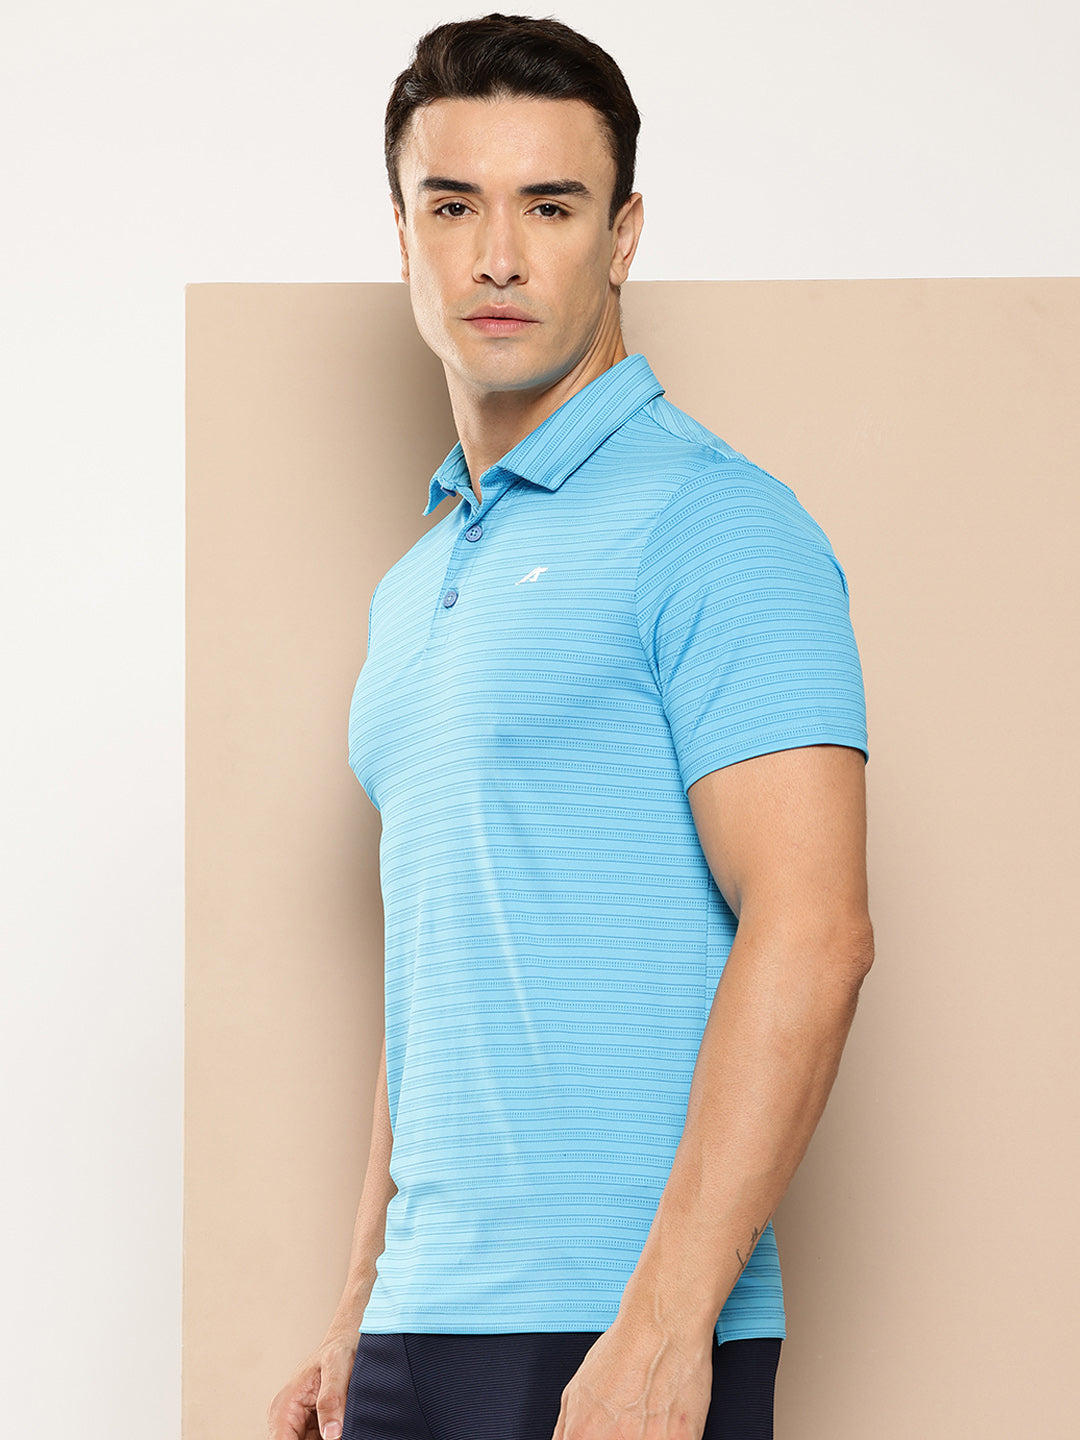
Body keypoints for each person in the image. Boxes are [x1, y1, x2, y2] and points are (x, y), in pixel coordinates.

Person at [268, 13, 873, 1440]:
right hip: (422, 1324)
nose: (497, 255)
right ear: (403, 238)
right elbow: (439, 967)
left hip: (610, 1322)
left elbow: (814, 929)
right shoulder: (414, 584)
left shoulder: (717, 522)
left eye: (550, 206)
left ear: (623, 235)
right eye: (452, 206)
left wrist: (666, 1324)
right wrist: (359, 1307)